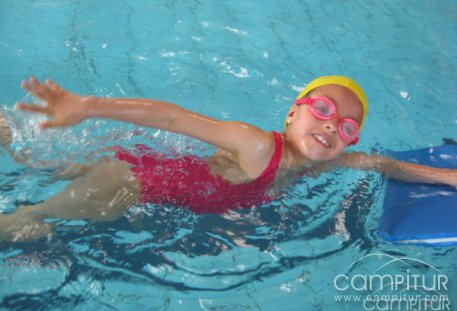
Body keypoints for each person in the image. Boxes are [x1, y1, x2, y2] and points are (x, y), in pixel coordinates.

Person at [0, 75, 455, 242]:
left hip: (150, 175)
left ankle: (13, 145)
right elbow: (174, 117)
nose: (334, 124)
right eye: (323, 109)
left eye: (347, 126)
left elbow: (379, 164)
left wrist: (445, 176)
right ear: (292, 113)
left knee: (44, 170)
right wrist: (89, 105)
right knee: (30, 222)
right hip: (129, 186)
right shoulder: (256, 144)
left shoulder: (321, 163)